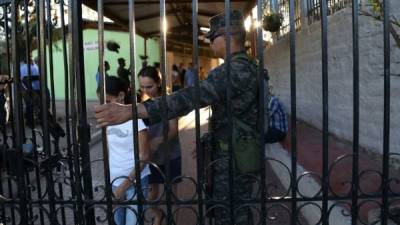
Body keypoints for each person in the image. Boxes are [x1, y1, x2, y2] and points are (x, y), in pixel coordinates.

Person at [95, 10, 262, 225]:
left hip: (235, 159)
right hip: (235, 153)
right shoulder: (246, 67)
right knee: (229, 209)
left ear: (228, 37)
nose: (210, 43)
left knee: (230, 214)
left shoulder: (234, 70)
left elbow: (190, 97)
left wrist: (132, 110)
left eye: (212, 38)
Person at [97, 76, 151, 225]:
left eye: (107, 101)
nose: (104, 106)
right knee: (118, 222)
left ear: (121, 96)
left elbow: (145, 156)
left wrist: (124, 186)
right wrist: (111, 184)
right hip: (115, 183)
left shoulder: (136, 120)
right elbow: (110, 152)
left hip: (136, 182)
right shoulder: (108, 121)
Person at [137, 66, 182, 225]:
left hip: (171, 155)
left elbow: (173, 131)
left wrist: (157, 140)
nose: (146, 90)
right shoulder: (142, 103)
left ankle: (172, 220)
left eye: (150, 86)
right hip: (152, 158)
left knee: (172, 196)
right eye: (142, 87)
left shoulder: (168, 101)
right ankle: (158, 216)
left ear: (159, 83)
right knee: (150, 196)